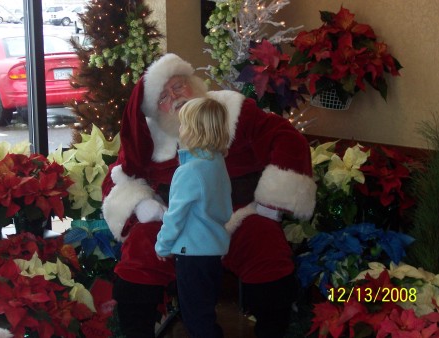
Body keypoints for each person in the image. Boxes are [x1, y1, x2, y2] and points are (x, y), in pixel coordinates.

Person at [102, 53, 317, 338]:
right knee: (141, 250)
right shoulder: (150, 137)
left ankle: (274, 330)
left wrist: (271, 200)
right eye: (164, 97)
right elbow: (118, 177)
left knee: (264, 241)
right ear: (156, 110)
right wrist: (142, 206)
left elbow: (287, 139)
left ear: (193, 83)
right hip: (175, 220)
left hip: (236, 214)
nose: (175, 98)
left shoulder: (234, 110)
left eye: (178, 87)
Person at [155, 97, 232, 338]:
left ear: (194, 131)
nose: (180, 130)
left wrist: (162, 245)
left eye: (183, 124)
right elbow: (224, 210)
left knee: (196, 318)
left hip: (192, 256)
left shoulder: (188, 171)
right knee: (204, 312)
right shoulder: (217, 164)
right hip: (212, 253)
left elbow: (175, 216)